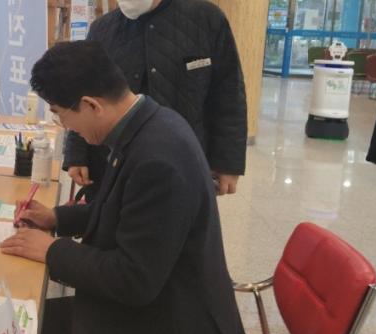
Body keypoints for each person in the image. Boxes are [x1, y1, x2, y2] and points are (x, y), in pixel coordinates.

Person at [1, 41, 246, 334]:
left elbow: (133, 279)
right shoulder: (148, 124)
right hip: (145, 313)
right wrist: (56, 217)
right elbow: (118, 210)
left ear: (91, 105)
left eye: (61, 115)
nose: (64, 126)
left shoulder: (158, 159)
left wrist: (52, 250)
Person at [64, 0, 247, 200]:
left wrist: (228, 163)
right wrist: (76, 154)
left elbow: (229, 93)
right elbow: (83, 93)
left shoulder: (207, 19)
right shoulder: (102, 29)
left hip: (182, 163)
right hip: (111, 165)